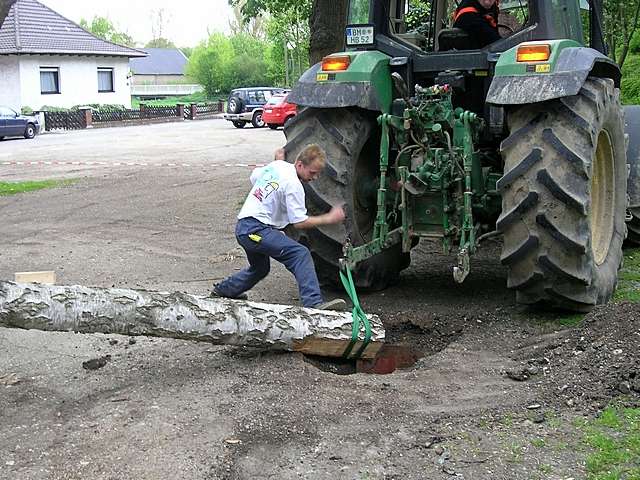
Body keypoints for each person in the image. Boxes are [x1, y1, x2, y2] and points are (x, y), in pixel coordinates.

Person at [212, 144, 347, 310]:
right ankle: (313, 304)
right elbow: (299, 222)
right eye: (312, 172)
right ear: (299, 165)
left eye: (318, 173)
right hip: (255, 231)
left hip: (244, 227)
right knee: (300, 254)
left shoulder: (277, 166)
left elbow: (255, 178)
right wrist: (329, 218)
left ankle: (224, 291)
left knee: (260, 268)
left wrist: (277, 161)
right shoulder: (294, 185)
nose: (315, 177)